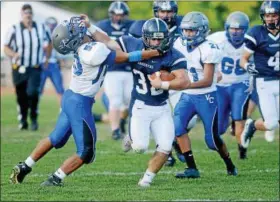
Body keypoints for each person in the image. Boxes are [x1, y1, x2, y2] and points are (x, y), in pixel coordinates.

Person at [9, 15, 163, 186]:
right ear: (74, 39)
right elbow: (123, 55)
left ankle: (25, 166)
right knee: (86, 152)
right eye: (73, 30)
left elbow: (107, 42)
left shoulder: (86, 48)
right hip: (79, 103)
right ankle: (55, 179)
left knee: (55, 138)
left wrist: (91, 26)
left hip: (70, 98)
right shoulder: (93, 51)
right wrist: (154, 52)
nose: (77, 28)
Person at [117, 18, 190, 187]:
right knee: (140, 147)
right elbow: (111, 48)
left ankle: (147, 179)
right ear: (144, 38)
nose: (157, 42)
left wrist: (163, 84)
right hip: (140, 106)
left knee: (165, 146)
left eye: (160, 38)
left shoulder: (174, 55)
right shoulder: (133, 44)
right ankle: (132, 137)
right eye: (153, 39)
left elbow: (184, 81)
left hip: (162, 107)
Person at [173, 12, 237, 178]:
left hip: (206, 96)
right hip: (187, 96)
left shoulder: (209, 48)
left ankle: (229, 164)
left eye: (192, 31)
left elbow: (208, 80)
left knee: (212, 141)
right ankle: (192, 168)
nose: (188, 34)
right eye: (186, 30)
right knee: (178, 129)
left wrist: (184, 83)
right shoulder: (178, 44)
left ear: (201, 31)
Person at [128, 0, 187, 167]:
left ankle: (171, 141)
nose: (166, 15)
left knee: (185, 121)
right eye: (162, 11)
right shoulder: (150, 27)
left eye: (169, 11)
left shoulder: (184, 25)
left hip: (175, 73)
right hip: (153, 80)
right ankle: (162, 144)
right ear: (156, 12)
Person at [207, 11, 250, 159]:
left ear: (245, 29)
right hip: (220, 85)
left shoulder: (251, 41)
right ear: (227, 28)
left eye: (239, 29)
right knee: (219, 128)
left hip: (240, 83)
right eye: (233, 28)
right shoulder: (216, 39)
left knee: (239, 117)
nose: (236, 32)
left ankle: (242, 151)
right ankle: (231, 124)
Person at [3, 4, 52, 131]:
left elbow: (50, 43)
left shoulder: (41, 28)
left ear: (32, 14)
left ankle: (34, 118)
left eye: (29, 12)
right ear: (21, 14)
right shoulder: (14, 29)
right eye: (25, 13)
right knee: (21, 95)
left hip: (34, 67)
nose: (28, 15)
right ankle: (23, 119)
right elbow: (6, 47)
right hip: (18, 67)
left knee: (33, 92)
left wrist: (47, 58)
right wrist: (13, 54)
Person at [240, 0, 279, 149]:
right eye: (267, 15)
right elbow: (243, 60)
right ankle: (252, 126)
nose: (270, 18)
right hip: (264, 81)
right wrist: (249, 66)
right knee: (271, 124)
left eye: (274, 15)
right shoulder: (256, 33)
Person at [96, 1, 135, 140]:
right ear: (111, 14)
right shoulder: (103, 26)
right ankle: (115, 130)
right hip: (111, 70)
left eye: (121, 14)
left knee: (129, 101)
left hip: (129, 69)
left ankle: (122, 120)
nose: (119, 17)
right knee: (115, 100)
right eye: (116, 14)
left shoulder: (132, 26)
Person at [39, 17, 65, 105]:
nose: (51, 27)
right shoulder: (41, 35)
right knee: (39, 89)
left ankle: (63, 110)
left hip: (54, 63)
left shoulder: (59, 36)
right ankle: (34, 110)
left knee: (60, 89)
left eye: (53, 26)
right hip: (43, 63)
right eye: (50, 25)